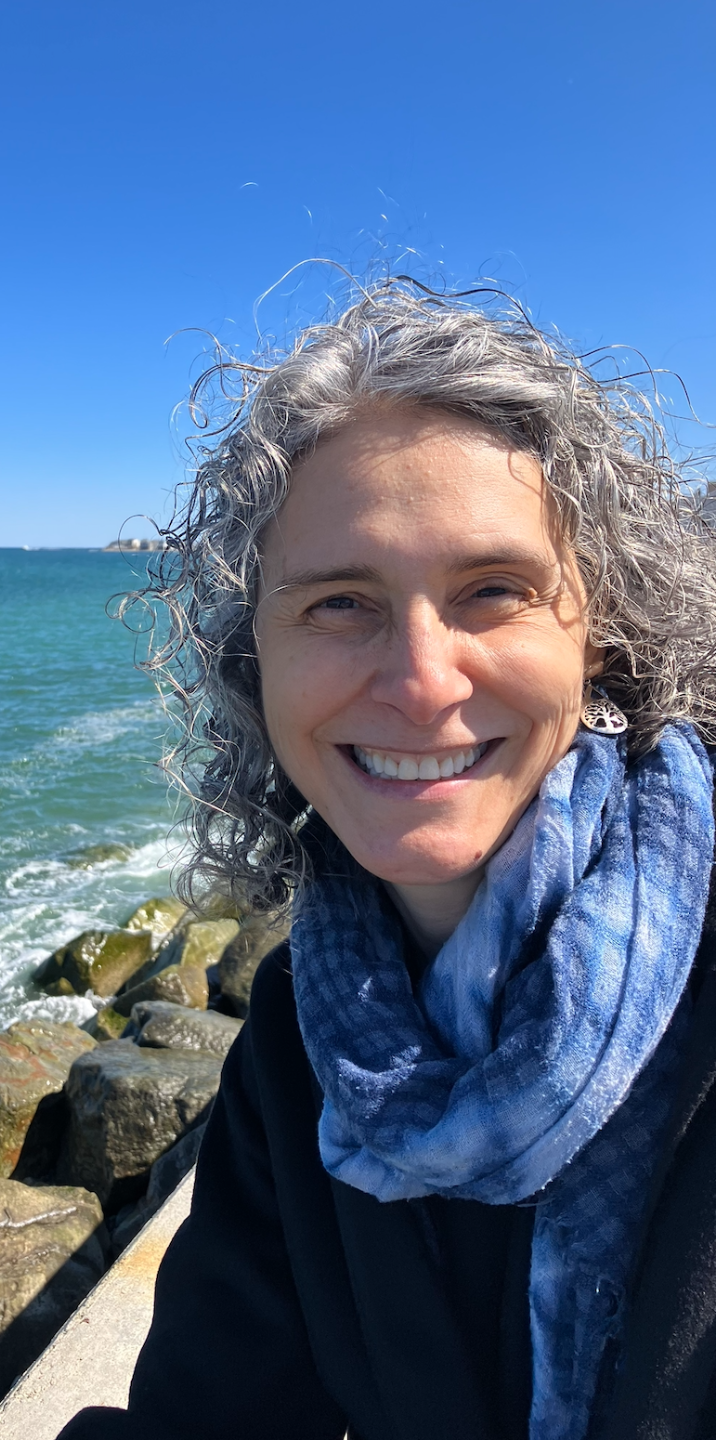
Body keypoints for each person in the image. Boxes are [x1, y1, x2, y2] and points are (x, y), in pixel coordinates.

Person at [61, 280, 716, 1440]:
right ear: (251, 661)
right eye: (338, 603)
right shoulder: (301, 1038)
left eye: (493, 591)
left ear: (599, 630)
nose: (419, 682)